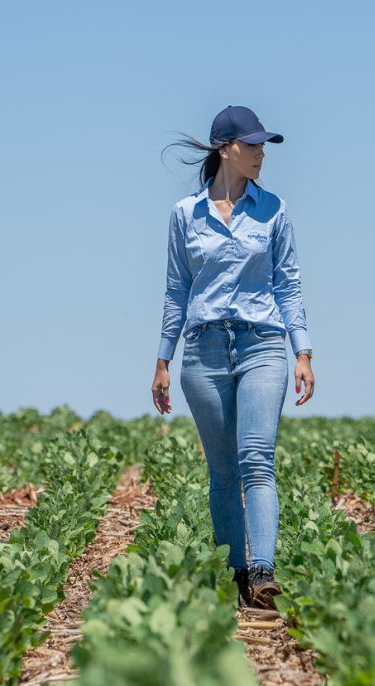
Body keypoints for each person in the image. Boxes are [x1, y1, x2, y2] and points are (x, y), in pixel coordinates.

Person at [151, 107, 315, 610]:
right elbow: (176, 289)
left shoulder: (275, 210)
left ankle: (264, 573)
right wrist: (163, 359)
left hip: (262, 344)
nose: (262, 153)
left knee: (256, 460)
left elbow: (288, 283)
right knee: (222, 472)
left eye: (265, 145)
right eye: (254, 145)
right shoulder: (185, 214)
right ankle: (236, 575)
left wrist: (302, 349)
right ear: (227, 149)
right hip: (202, 352)